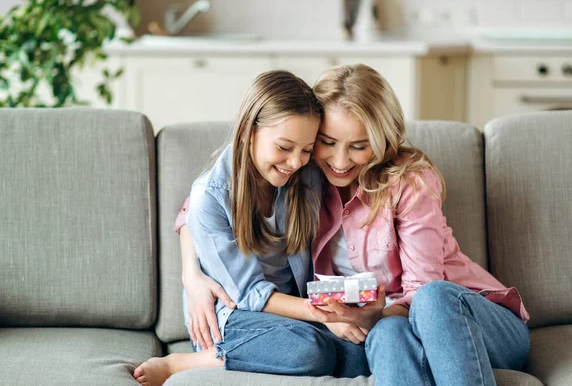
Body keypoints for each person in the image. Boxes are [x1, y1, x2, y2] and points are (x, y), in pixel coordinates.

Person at [174, 64, 531, 386]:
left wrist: (374, 315)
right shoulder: (306, 175)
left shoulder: (407, 184)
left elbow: (422, 291)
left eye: (359, 146)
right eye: (326, 143)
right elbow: (202, 203)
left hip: (471, 320)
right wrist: (193, 276)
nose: (340, 161)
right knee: (386, 336)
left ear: (380, 141)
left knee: (430, 301)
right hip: (393, 325)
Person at [133, 70, 371, 386]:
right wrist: (324, 316)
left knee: (359, 355)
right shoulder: (213, 195)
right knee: (310, 353)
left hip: (292, 311)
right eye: (284, 147)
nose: (296, 161)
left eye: (306, 149)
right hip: (234, 317)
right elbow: (249, 294)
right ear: (249, 131)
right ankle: (185, 363)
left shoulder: (305, 176)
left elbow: (186, 214)